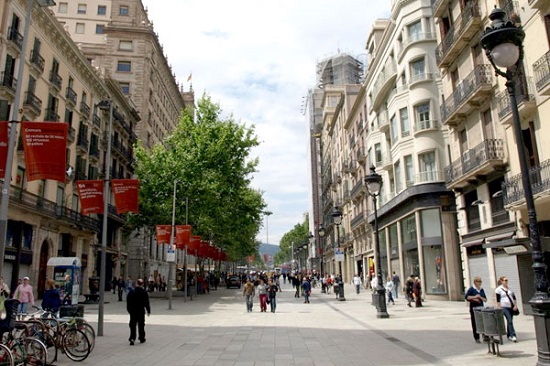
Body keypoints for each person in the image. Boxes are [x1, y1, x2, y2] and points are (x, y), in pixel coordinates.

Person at [126, 278, 151, 346]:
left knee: (133, 324)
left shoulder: (132, 292)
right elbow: (146, 302)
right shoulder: (144, 292)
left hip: (133, 310)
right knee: (141, 324)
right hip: (140, 310)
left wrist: (129, 310)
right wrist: (148, 310)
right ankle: (141, 337)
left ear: (136, 283)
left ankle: (132, 338)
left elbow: (128, 301)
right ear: (142, 284)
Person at [496, 276, 519, 342]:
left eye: (507, 280)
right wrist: (499, 307)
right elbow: (498, 300)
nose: (506, 281)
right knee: (509, 320)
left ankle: (509, 335)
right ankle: (513, 335)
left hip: (511, 306)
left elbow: (514, 298)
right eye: (505, 280)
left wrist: (515, 305)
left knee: (510, 321)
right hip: (504, 307)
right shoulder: (498, 289)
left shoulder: (510, 288)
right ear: (501, 281)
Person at [465, 276, 487, 343]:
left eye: (480, 281)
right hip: (474, 309)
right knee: (475, 323)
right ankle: (476, 337)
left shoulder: (481, 289)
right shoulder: (471, 289)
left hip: (481, 308)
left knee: (483, 322)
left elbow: (485, 299)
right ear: (475, 282)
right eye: (479, 281)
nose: (480, 283)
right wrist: (475, 297)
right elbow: (467, 297)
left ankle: (485, 336)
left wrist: (480, 297)